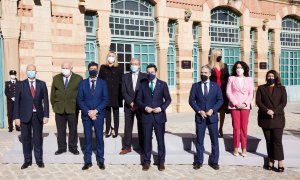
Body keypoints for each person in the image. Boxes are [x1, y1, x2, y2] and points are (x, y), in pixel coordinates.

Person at [136, 64, 171, 171]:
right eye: (148, 72)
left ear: (156, 72)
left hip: (159, 117)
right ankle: (146, 162)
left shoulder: (163, 84)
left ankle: (161, 161)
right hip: (146, 117)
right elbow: (138, 100)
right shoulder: (142, 84)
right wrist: (145, 107)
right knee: (146, 140)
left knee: (160, 140)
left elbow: (168, 99)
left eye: (152, 72)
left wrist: (161, 108)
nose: (150, 74)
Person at [13, 64, 49, 169]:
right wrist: (16, 117)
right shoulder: (21, 85)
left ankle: (39, 160)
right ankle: (27, 160)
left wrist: (46, 115)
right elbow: (17, 103)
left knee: (38, 139)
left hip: (38, 115)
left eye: (33, 70)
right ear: (26, 72)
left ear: (36, 72)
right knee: (26, 139)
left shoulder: (42, 84)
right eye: (29, 70)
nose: (31, 72)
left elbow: (45, 101)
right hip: (24, 116)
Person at [189, 65, 223, 170]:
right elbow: (191, 100)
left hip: (212, 117)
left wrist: (213, 110)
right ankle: (199, 161)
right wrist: (199, 111)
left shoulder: (216, 86)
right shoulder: (195, 86)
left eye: (205, 73)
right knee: (199, 140)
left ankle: (214, 161)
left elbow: (220, 100)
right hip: (200, 117)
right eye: (201, 73)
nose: (203, 74)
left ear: (209, 74)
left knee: (214, 140)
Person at [77, 62, 109, 170]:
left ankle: (100, 160)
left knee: (100, 138)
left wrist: (95, 111)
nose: (93, 70)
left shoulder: (103, 83)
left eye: (95, 68)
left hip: (98, 115)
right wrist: (88, 112)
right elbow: (80, 99)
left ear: (98, 70)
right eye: (91, 69)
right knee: (87, 138)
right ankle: (87, 161)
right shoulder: (82, 83)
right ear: (88, 70)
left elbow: (105, 99)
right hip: (86, 116)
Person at [256, 70, 287, 172]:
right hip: (265, 118)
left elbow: (283, 102)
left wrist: (274, 111)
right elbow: (258, 102)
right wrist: (267, 110)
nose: (270, 78)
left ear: (276, 77)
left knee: (277, 141)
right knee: (269, 141)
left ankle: (280, 162)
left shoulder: (282, 89)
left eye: (272, 76)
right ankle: (270, 160)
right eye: (268, 76)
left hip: (278, 118)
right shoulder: (261, 88)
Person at [50, 62, 83, 155]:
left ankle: (73, 147)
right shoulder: (56, 78)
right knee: (60, 130)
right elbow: (52, 94)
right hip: (59, 108)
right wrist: (54, 105)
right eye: (63, 67)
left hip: (73, 108)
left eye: (67, 67)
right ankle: (61, 148)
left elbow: (81, 94)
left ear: (71, 68)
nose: (65, 69)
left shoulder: (78, 78)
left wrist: (79, 107)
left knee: (73, 129)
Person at [226, 61, 254, 157]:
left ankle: (244, 147)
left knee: (244, 127)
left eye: (241, 67)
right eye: (237, 67)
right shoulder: (231, 78)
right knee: (236, 127)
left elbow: (251, 93)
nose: (239, 69)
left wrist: (245, 103)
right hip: (234, 106)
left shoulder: (249, 79)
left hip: (245, 106)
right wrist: (236, 103)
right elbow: (228, 92)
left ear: (244, 69)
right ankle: (236, 147)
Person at [120, 58, 147, 155]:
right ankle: (127, 147)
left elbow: (145, 92)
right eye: (132, 64)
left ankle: (143, 146)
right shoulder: (125, 76)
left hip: (140, 106)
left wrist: (138, 104)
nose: (134, 65)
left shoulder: (145, 76)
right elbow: (123, 91)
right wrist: (131, 102)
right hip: (128, 105)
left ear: (139, 65)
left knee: (142, 126)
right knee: (127, 127)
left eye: (136, 64)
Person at [98, 51, 123, 138]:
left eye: (113, 56)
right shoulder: (103, 67)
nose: (111, 57)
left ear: (115, 58)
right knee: (107, 113)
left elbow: (122, 81)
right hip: (106, 93)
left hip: (116, 94)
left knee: (116, 113)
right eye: (109, 56)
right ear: (107, 57)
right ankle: (108, 130)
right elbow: (99, 80)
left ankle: (116, 130)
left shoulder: (119, 67)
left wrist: (122, 93)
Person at [209, 49, 230, 137]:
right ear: (214, 55)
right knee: (214, 110)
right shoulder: (209, 66)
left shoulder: (224, 65)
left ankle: (220, 128)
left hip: (223, 90)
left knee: (222, 110)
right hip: (213, 91)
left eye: (221, 54)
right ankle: (214, 128)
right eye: (218, 54)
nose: (220, 56)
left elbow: (228, 78)